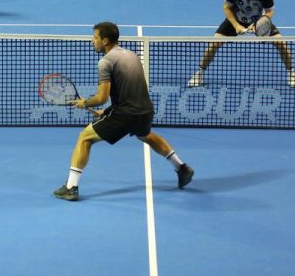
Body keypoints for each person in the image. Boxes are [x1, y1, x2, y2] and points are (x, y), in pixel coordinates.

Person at [54, 22, 194, 201]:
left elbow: (102, 97)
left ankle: (71, 187)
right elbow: (130, 91)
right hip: (145, 110)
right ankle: (181, 168)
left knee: (84, 138)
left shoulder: (105, 62)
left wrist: (85, 102)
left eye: (95, 37)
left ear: (105, 40)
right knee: (145, 135)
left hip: (126, 114)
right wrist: (107, 112)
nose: (92, 41)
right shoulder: (132, 55)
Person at [187, 0, 295, 88]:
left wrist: (259, 23)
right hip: (236, 20)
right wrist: (236, 25)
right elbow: (226, 7)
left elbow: (270, 11)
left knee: (282, 44)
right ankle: (199, 73)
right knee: (213, 44)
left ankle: (291, 73)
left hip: (258, 22)